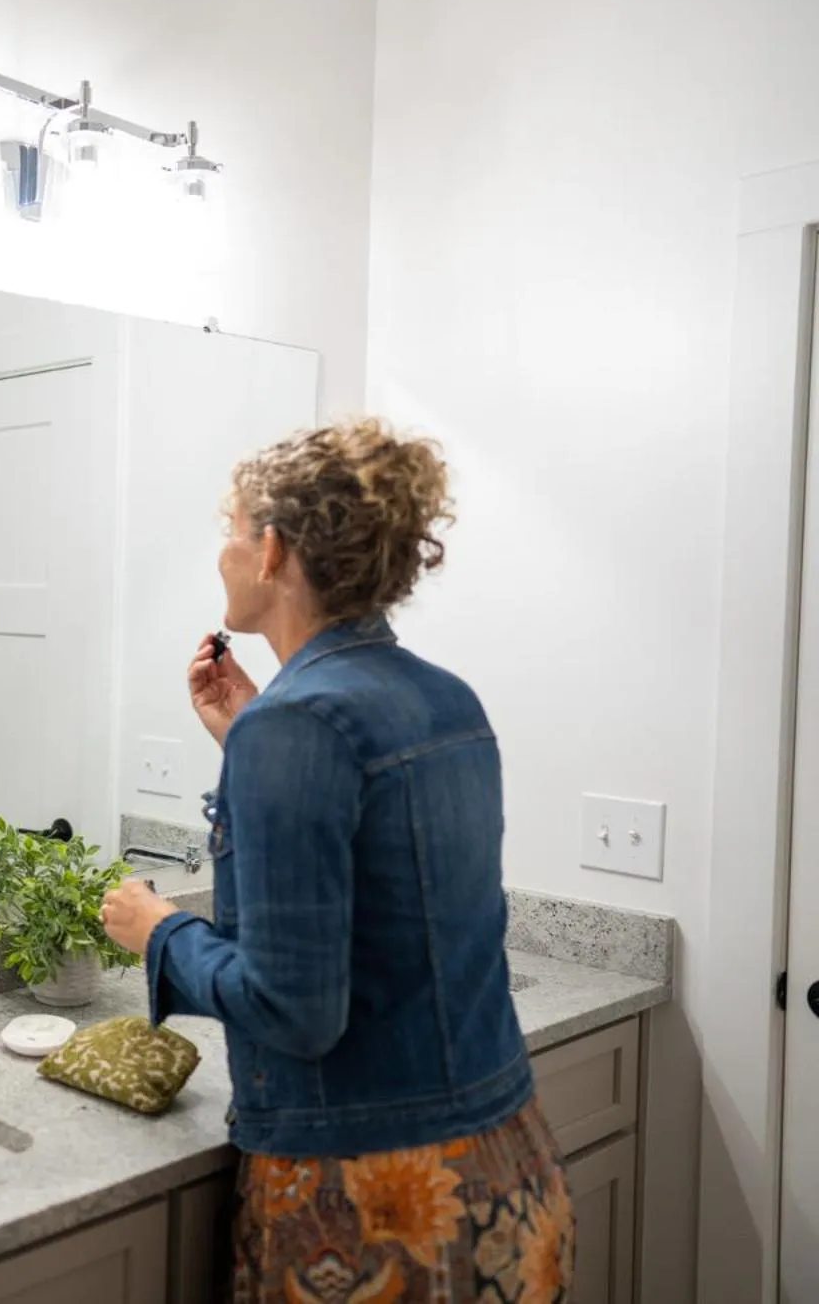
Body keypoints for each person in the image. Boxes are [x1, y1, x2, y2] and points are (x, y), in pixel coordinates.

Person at [99, 419, 572, 1301]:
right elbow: (388, 885)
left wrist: (159, 931)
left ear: (273, 549)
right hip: (509, 1161)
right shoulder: (447, 698)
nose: (222, 552)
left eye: (231, 529)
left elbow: (295, 1007)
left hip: (377, 1202)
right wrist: (250, 737)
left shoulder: (294, 724)